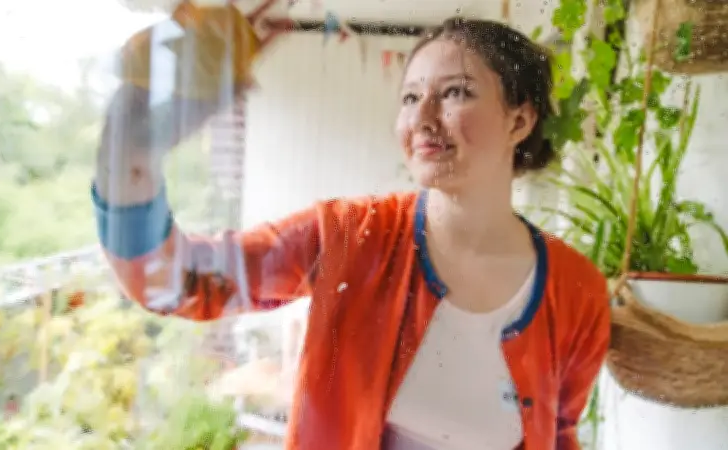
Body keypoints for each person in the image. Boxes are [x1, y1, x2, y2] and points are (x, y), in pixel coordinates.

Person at [92, 9, 610, 450]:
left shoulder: (577, 290)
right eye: (410, 98)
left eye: (455, 92)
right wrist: (129, 154)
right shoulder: (347, 237)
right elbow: (180, 283)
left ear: (519, 122)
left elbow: (559, 432)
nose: (423, 118)